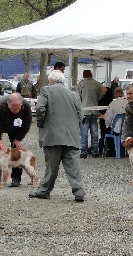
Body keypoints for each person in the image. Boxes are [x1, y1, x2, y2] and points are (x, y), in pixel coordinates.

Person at [29, 70, 85, 202]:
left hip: (52, 136)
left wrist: (41, 124)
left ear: (51, 80)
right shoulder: (74, 94)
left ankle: (44, 191)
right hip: (71, 136)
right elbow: (80, 114)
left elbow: (40, 109)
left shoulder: (46, 91)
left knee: (51, 166)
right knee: (73, 166)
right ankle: (79, 192)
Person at [77, 70, 102, 158]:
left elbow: (78, 97)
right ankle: (95, 151)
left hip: (84, 111)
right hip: (95, 111)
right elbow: (99, 97)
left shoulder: (81, 84)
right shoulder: (98, 84)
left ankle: (83, 152)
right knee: (94, 132)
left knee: (84, 132)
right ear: (91, 75)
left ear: (84, 75)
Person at [103, 87, 127, 156]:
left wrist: (107, 125)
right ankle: (123, 150)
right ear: (122, 94)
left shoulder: (113, 103)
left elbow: (108, 118)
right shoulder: (128, 103)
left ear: (114, 94)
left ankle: (112, 150)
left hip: (116, 129)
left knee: (105, 131)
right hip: (127, 129)